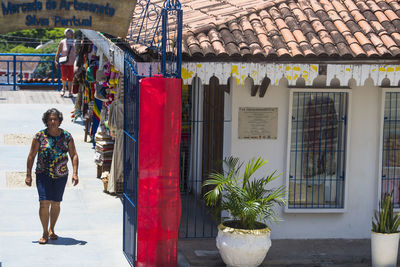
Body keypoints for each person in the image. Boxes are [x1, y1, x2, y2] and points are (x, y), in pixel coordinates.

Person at [25, 108, 79, 244]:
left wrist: (75, 173)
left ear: (59, 120)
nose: (52, 121)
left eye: (55, 119)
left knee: (56, 203)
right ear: (46, 121)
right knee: (44, 203)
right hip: (43, 174)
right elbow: (31, 156)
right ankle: (44, 232)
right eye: (50, 119)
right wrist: (28, 175)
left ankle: (52, 229)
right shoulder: (39, 136)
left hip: (60, 175)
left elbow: (74, 155)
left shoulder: (67, 136)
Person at [55, 28, 76, 98]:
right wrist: (56, 60)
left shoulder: (75, 42)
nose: (69, 34)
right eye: (67, 32)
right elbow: (58, 52)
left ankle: (70, 91)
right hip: (64, 62)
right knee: (63, 77)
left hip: (72, 63)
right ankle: (63, 89)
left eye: (70, 33)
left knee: (71, 78)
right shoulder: (62, 42)